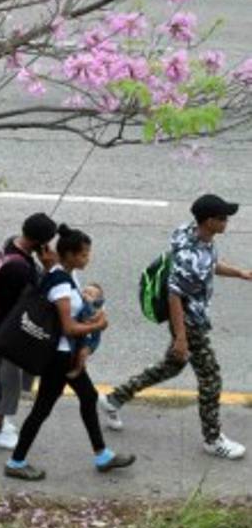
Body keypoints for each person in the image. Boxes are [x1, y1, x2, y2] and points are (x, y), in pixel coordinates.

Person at [99, 193, 252, 460]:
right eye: (222, 217)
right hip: (189, 323)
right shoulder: (190, 257)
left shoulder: (191, 233)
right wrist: (181, 337)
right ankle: (213, 439)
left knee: (172, 365)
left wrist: (240, 273)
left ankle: (114, 399)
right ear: (207, 221)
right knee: (211, 378)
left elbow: (210, 265)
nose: (227, 221)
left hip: (191, 320)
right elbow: (174, 296)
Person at [5, 224, 136, 481]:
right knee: (42, 409)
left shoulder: (63, 272)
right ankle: (16, 461)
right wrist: (98, 324)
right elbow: (67, 327)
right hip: (59, 356)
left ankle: (102, 455)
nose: (88, 258)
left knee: (88, 397)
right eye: (84, 254)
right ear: (71, 255)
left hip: (66, 354)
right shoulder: (61, 284)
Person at [0, 213, 58, 449]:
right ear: (39, 243)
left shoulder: (12, 243)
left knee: (3, 379)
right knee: (5, 381)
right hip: (5, 330)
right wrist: (48, 268)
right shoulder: (20, 268)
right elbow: (34, 296)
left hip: (1, 326)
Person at [65, 281, 104, 379]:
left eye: (90, 294)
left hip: (90, 340)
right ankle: (78, 364)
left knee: (82, 353)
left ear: (97, 299)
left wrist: (88, 303)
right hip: (81, 334)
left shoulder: (95, 308)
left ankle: (79, 369)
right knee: (73, 349)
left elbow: (89, 316)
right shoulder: (80, 302)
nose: (86, 295)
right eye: (85, 292)